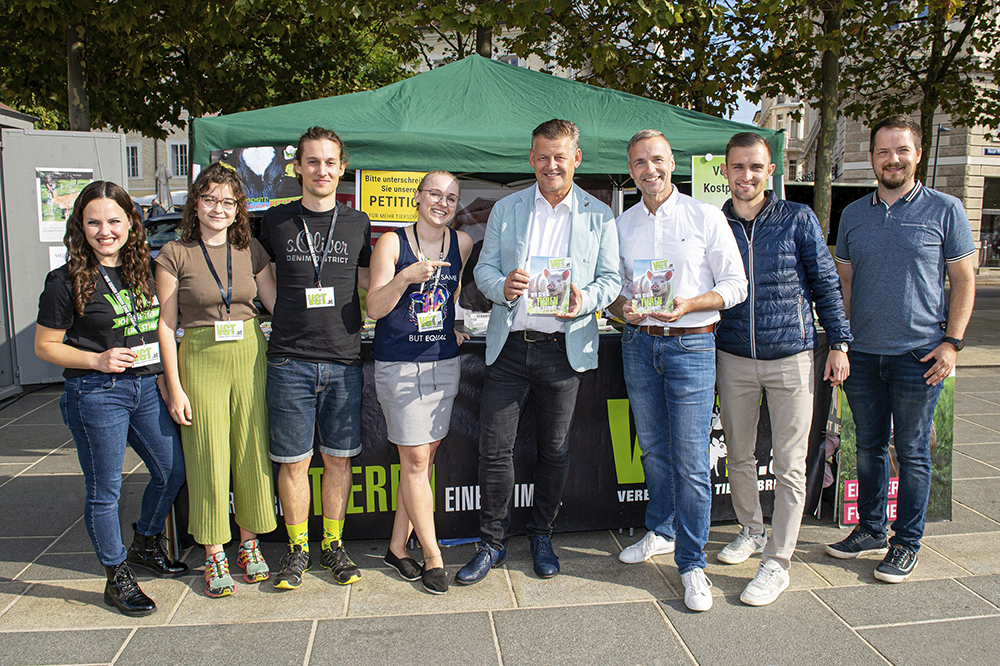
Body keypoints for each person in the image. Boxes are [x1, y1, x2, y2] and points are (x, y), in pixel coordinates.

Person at [457, 119, 621, 585]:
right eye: (543, 156)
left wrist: (583, 299)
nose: (552, 165)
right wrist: (501, 286)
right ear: (531, 158)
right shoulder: (508, 209)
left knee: (555, 449)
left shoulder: (599, 214)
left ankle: (542, 535)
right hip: (510, 346)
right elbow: (485, 270)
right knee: (494, 449)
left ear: (576, 158)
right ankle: (491, 543)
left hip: (562, 350)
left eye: (560, 156)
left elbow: (612, 280)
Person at [827, 115, 975, 582]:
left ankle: (906, 542)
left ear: (918, 154)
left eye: (902, 151)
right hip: (864, 356)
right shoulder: (852, 214)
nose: (893, 159)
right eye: (883, 151)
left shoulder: (946, 209)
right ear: (871, 158)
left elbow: (963, 279)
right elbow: (844, 283)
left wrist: (952, 343)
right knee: (868, 448)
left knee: (911, 451)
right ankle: (870, 529)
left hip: (920, 356)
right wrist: (842, 341)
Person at [34, 180, 188, 617]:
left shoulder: (145, 270)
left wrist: (163, 374)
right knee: (106, 490)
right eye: (94, 222)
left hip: (145, 386)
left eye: (114, 221)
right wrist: (96, 359)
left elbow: (160, 328)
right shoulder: (65, 280)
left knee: (171, 470)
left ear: (131, 223)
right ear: (80, 226)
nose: (105, 231)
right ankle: (116, 575)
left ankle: (145, 541)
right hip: (97, 392)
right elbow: (45, 345)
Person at [609, 130, 747, 612]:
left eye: (658, 160)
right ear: (631, 169)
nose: (650, 169)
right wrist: (620, 306)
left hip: (691, 345)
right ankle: (661, 531)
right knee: (653, 449)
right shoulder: (620, 225)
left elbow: (735, 285)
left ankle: (692, 565)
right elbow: (611, 289)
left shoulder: (706, 217)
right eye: (640, 162)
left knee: (690, 460)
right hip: (638, 346)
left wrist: (691, 303)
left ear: (673, 163)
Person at [714, 132, 852, 606]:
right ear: (725, 171)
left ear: (771, 171)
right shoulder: (716, 224)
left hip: (792, 356)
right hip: (733, 356)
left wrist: (839, 342)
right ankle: (750, 530)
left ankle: (778, 561)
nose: (746, 175)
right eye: (738, 167)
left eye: (756, 167)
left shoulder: (798, 218)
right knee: (739, 454)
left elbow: (826, 284)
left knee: (791, 465)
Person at [155, 163, 278, 598]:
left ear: (238, 208)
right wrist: (174, 386)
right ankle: (213, 551)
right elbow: (166, 327)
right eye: (209, 199)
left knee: (250, 448)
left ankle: (249, 544)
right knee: (207, 453)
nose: (218, 209)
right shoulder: (174, 254)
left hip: (248, 353)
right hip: (201, 357)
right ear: (196, 203)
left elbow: (276, 306)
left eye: (228, 201)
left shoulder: (252, 251)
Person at [259, 126, 371, 590]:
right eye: (312, 162)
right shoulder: (274, 220)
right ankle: (298, 549)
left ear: (341, 168)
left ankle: (333, 544)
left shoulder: (358, 222)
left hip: (344, 360)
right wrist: (279, 309)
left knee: (339, 461)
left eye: (330, 162)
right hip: (290, 360)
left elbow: (371, 283)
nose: (321, 170)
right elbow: (257, 274)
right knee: (293, 463)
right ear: (298, 167)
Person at [366, 171, 473, 594]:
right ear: (417, 197)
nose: (442, 202)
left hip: (444, 363)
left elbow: (452, 295)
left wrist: (454, 326)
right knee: (414, 462)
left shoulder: (461, 244)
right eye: (434, 193)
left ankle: (396, 547)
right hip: (400, 366)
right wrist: (405, 278)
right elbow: (374, 307)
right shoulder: (393, 243)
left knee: (422, 463)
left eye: (451, 197)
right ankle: (433, 555)